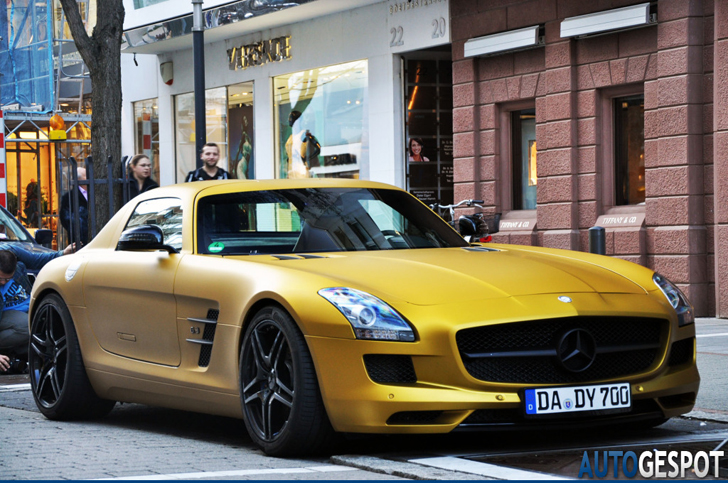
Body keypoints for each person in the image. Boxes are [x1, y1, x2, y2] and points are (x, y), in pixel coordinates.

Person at [0, 244, 76, 373]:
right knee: (30, 326)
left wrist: (62, 253)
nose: (3, 282)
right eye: (1, 278)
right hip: (8, 317)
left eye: (8, 278)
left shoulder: (12, 251)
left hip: (27, 309)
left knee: (50, 327)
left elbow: (36, 260)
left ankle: (15, 359)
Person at [59, 167, 89, 245]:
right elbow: (64, 218)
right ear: (79, 179)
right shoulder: (68, 197)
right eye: (86, 175)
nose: (89, 176)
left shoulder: (95, 192)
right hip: (80, 240)